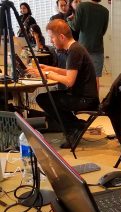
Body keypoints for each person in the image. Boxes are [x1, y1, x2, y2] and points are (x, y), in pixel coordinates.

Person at [27, 19, 98, 148]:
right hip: (82, 96)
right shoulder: (75, 48)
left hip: (85, 99)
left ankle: (75, 127)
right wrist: (48, 68)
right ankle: (75, 125)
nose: (51, 41)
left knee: (45, 99)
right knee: (45, 98)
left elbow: (69, 81)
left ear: (61, 37)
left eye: (52, 37)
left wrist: (46, 74)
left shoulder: (74, 51)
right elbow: (69, 72)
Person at [67, 0, 109, 92]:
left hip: (83, 48)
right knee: (95, 78)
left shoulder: (82, 6)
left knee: (81, 77)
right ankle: (95, 103)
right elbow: (103, 31)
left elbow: (75, 27)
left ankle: (83, 101)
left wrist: (69, 20)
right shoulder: (105, 11)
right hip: (98, 49)